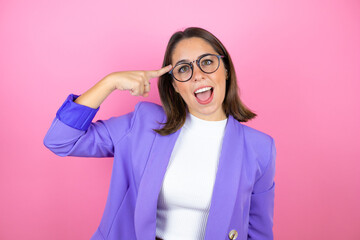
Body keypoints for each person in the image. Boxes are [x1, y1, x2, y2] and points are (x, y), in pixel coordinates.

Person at [44, 27, 276, 240]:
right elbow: (61, 140)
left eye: (207, 62)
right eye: (184, 68)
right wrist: (110, 82)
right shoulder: (143, 123)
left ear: (225, 70)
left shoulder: (260, 148)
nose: (198, 75)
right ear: (175, 84)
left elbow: (259, 232)